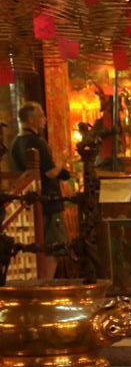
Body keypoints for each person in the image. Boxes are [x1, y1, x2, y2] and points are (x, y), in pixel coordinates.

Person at [10, 101, 70, 281]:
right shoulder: (37, 142)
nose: (44, 119)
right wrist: (62, 160)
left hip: (31, 201)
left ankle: (40, 282)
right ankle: (47, 283)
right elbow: (50, 173)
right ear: (30, 119)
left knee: (36, 245)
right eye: (41, 115)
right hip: (48, 201)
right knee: (54, 246)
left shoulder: (15, 143)